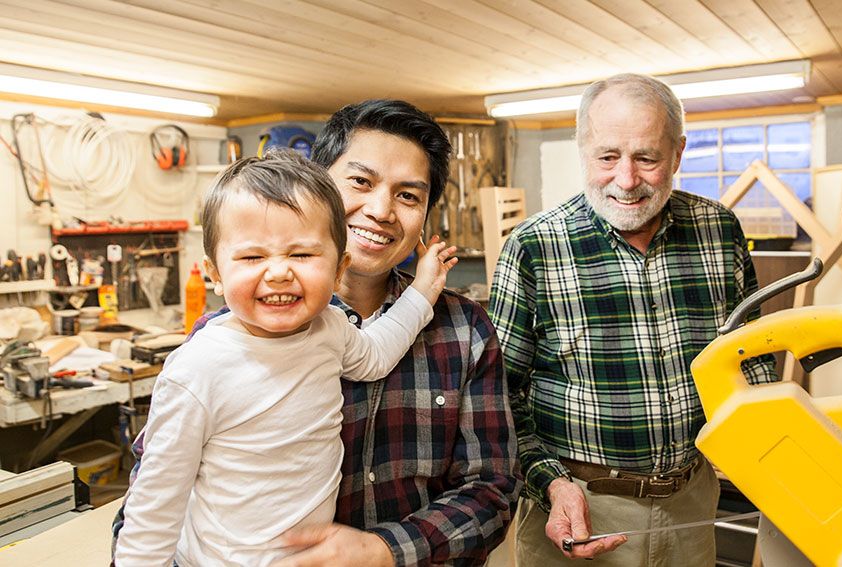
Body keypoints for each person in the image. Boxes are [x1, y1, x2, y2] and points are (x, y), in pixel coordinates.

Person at [113, 100, 522, 566]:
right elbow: (150, 502)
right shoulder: (216, 347)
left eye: (408, 195)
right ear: (320, 186)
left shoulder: (463, 331)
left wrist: (383, 550)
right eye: (361, 182)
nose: (382, 210)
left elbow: (492, 492)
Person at [489, 74, 777, 566]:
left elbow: (749, 359)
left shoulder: (719, 230)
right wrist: (552, 484)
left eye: (647, 157)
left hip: (692, 498)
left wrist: (767, 439)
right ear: (583, 151)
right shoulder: (535, 246)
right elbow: (498, 400)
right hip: (579, 509)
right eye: (607, 157)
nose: (626, 180)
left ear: (678, 153)